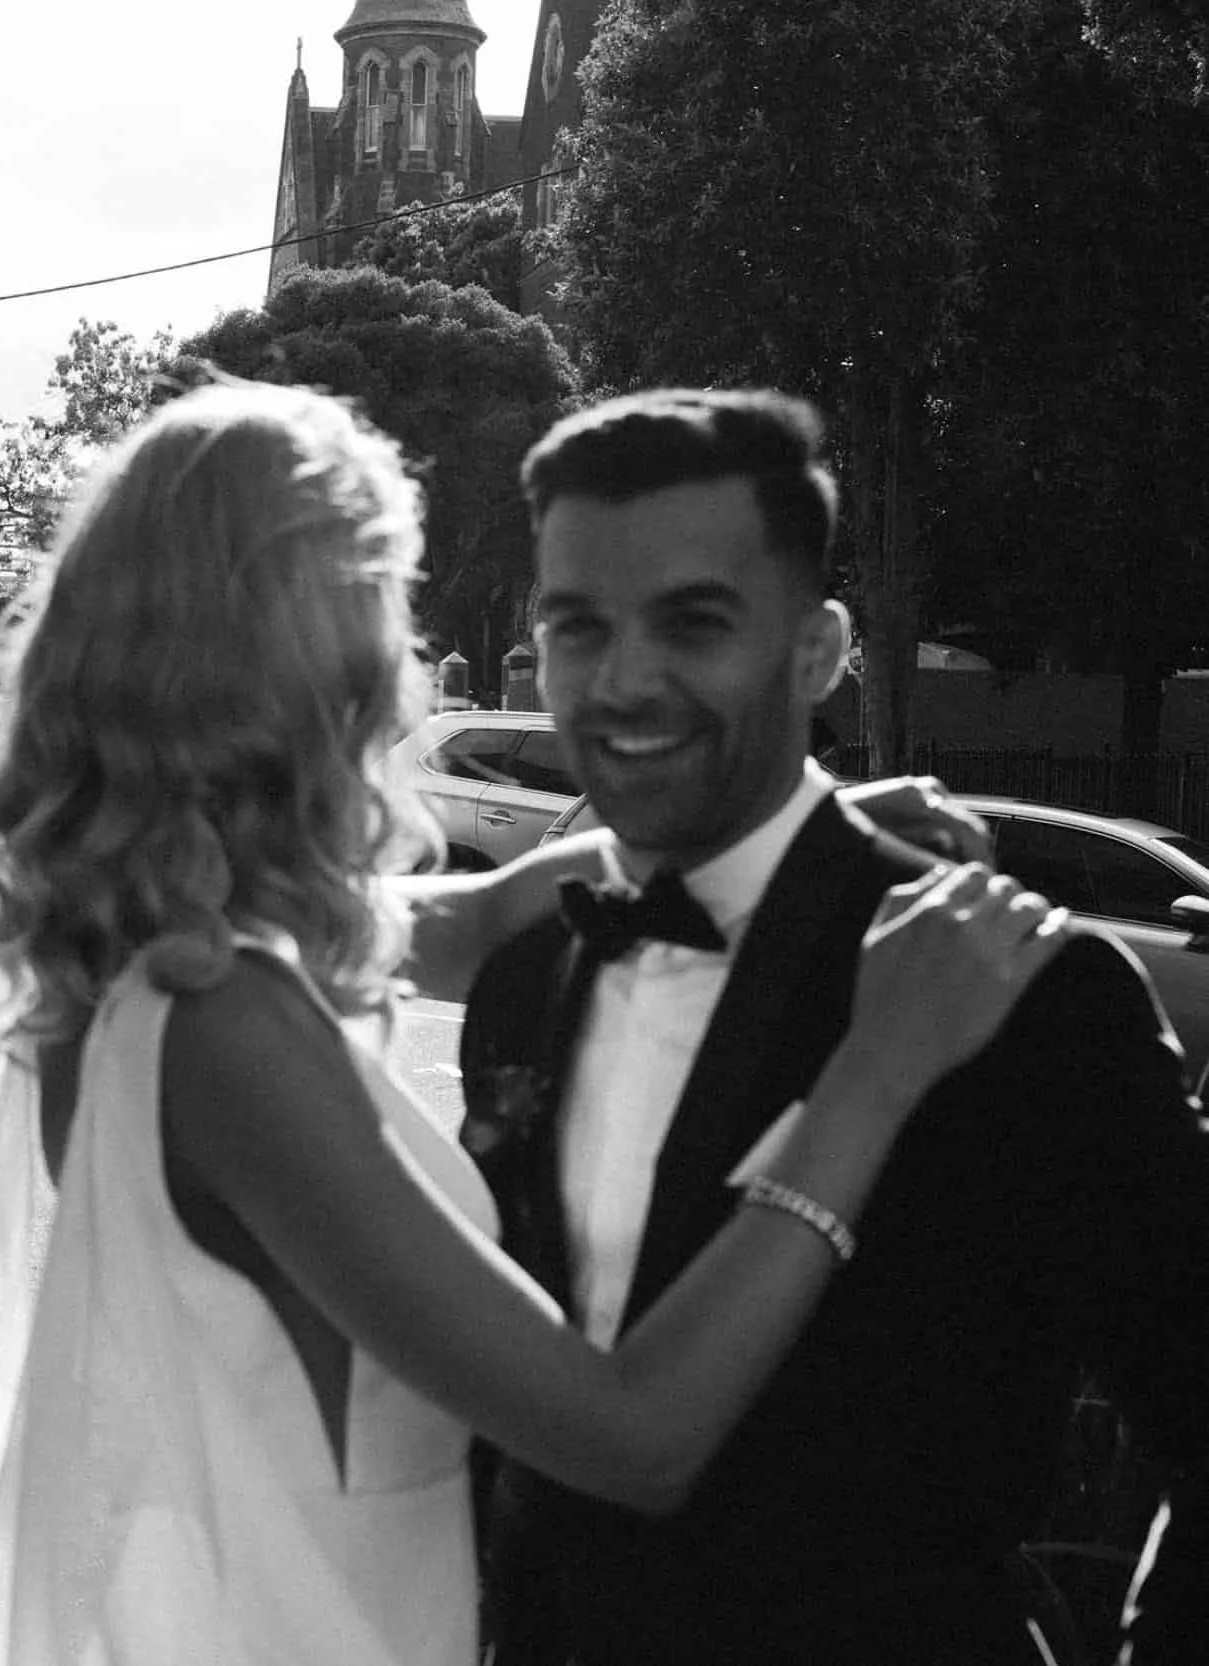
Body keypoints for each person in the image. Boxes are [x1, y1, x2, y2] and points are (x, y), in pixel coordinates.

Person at [0, 380, 1068, 1666]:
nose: (409, 656)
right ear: (310, 654)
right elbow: (631, 1434)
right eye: (383, 601)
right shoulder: (227, 1029)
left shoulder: (153, 958)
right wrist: (867, 1082)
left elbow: (467, 918)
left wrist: (801, 838)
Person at [461, 388, 1209, 1664]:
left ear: (819, 650)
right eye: (577, 626)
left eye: (694, 622)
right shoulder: (530, 972)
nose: (624, 679)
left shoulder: (1025, 993)